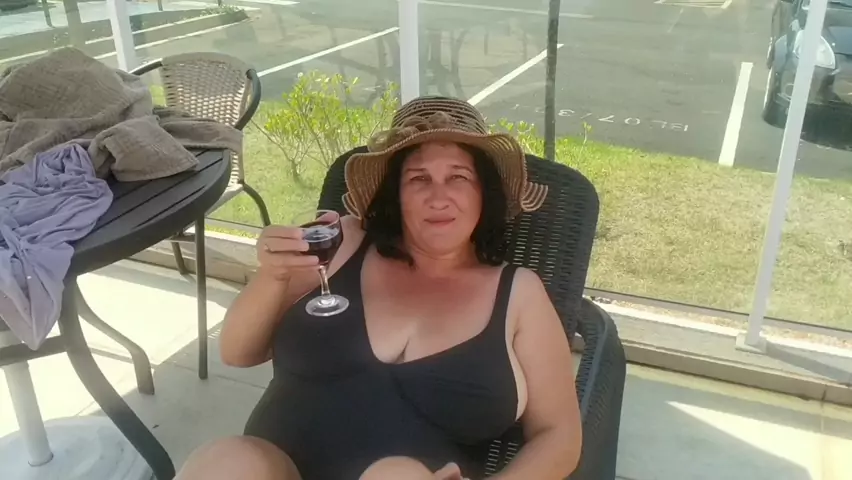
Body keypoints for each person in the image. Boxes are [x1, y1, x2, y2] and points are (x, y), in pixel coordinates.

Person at [176, 96, 582, 480]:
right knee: (229, 459)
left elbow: (559, 434)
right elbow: (238, 352)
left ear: (484, 192)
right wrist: (273, 277)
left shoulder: (519, 294)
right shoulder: (342, 241)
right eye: (418, 178)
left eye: (458, 177)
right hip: (273, 468)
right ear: (395, 193)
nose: (438, 197)